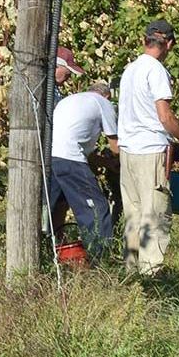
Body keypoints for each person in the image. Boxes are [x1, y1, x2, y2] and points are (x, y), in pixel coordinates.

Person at [116, 20, 179, 275]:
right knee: (154, 215)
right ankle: (151, 277)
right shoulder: (156, 71)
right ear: (169, 44)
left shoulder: (129, 70)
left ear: (144, 40)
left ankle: (131, 273)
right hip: (150, 152)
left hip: (128, 152)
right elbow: (165, 117)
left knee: (133, 216)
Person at [49, 80, 118, 257]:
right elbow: (115, 146)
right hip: (70, 159)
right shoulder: (103, 103)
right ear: (106, 96)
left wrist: (107, 164)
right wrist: (125, 164)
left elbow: (82, 149)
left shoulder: (72, 100)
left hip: (51, 158)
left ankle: (49, 249)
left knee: (54, 206)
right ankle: (100, 257)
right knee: (97, 209)